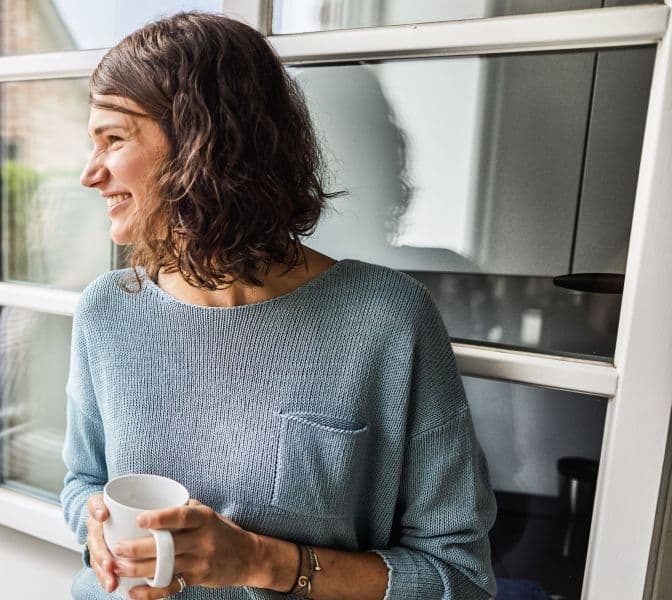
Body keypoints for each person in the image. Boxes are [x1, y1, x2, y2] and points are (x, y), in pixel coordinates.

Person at [60, 12, 495, 600]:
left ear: (201, 143)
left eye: (113, 138)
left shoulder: (388, 322)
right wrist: (94, 528)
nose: (90, 173)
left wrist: (262, 561)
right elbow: (83, 480)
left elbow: (460, 579)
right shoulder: (106, 314)